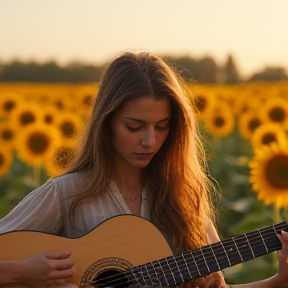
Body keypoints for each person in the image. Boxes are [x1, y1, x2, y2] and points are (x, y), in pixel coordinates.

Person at [0, 51, 287, 288]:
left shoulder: (185, 198)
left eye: (162, 127)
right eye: (134, 127)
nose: (150, 141)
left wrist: (278, 281)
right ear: (106, 122)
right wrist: (22, 273)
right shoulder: (67, 193)